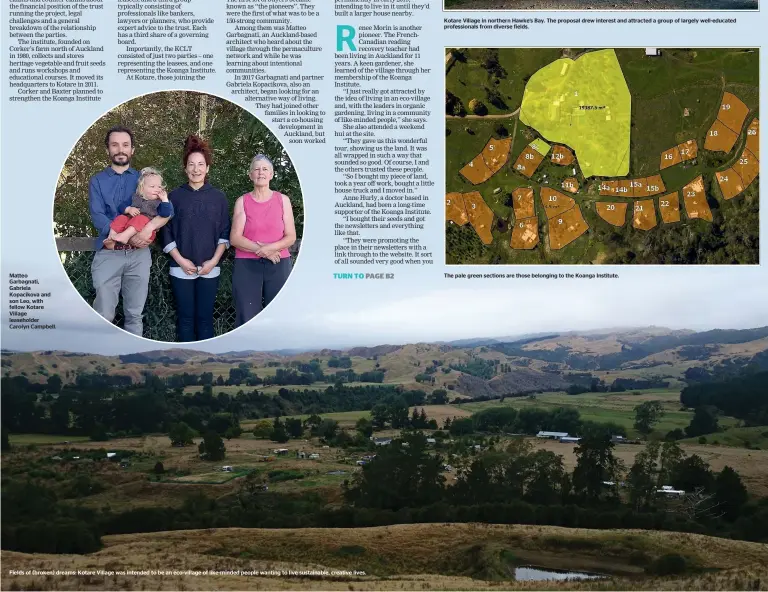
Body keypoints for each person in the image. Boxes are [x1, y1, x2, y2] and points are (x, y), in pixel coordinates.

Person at [88, 126, 170, 337]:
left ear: (132, 150)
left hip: (139, 255)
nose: (120, 149)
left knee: (135, 315)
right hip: (109, 251)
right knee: (103, 314)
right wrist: (118, 236)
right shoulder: (97, 181)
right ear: (108, 149)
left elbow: (167, 212)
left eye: (125, 145)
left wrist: (147, 229)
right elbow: (97, 215)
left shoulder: (144, 180)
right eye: (115, 145)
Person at [162, 135, 231, 342]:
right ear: (185, 168)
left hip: (210, 268)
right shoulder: (174, 197)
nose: (196, 169)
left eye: (201, 164)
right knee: (185, 319)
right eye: (191, 164)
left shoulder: (218, 197)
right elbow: (166, 232)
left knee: (204, 319)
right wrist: (181, 261)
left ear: (207, 168)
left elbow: (225, 232)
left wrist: (213, 261)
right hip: (180, 268)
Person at [230, 154, 297, 326]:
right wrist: (265, 252)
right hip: (247, 265)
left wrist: (271, 248)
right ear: (250, 174)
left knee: (279, 315)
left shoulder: (283, 200)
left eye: (265, 169)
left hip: (279, 263)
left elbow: (291, 236)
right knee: (247, 315)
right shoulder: (242, 201)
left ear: (272, 174)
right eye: (256, 169)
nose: (261, 173)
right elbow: (235, 238)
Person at [108, 167, 173, 244]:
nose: (157, 189)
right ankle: (111, 237)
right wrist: (129, 209)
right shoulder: (135, 197)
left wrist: (165, 200)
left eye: (159, 187)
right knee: (121, 217)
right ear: (142, 188)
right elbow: (121, 207)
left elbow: (165, 214)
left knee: (140, 218)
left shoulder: (159, 202)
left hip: (145, 232)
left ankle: (125, 236)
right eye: (152, 186)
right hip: (128, 225)